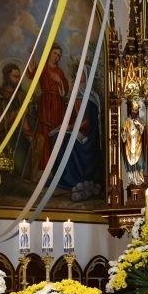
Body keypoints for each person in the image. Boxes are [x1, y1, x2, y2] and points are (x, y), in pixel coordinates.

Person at [50, 66, 103, 201]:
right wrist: (65, 125)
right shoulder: (76, 94)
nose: (79, 76)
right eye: (77, 73)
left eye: (81, 73)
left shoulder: (91, 96)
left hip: (87, 134)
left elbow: (89, 122)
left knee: (67, 139)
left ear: (86, 75)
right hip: (75, 128)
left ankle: (73, 177)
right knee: (56, 136)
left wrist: (70, 127)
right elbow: (73, 116)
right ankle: (62, 175)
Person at [26, 43, 70, 173]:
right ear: (49, 53)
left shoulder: (59, 72)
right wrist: (32, 56)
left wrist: (59, 81)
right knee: (45, 133)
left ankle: (56, 168)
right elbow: (31, 75)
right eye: (55, 53)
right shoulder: (43, 68)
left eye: (59, 55)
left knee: (56, 133)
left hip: (58, 106)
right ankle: (43, 168)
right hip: (45, 104)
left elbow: (65, 90)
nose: (56, 57)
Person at [121, 99, 145, 186]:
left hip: (138, 144)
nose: (134, 112)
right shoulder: (127, 121)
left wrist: (139, 125)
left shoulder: (140, 121)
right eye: (133, 110)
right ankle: (131, 179)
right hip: (130, 145)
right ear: (130, 110)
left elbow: (143, 132)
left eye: (136, 110)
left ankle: (139, 178)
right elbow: (123, 134)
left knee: (140, 162)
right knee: (130, 163)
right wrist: (123, 133)